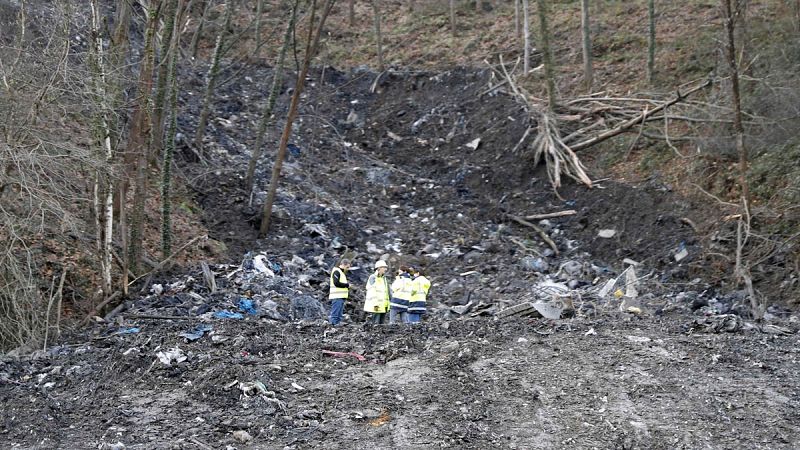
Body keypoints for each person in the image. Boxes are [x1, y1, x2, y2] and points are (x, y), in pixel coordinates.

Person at [364, 260, 390, 324]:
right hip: (376, 306)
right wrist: (375, 304)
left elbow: (387, 292)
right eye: (384, 267)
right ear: (379, 268)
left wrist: (389, 304)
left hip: (383, 306)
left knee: (381, 326)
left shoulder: (384, 278)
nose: (385, 269)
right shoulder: (373, 277)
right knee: (375, 325)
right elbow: (371, 292)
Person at [328, 258, 350, 325]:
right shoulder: (337, 271)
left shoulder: (341, 273)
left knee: (339, 315)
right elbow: (336, 283)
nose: (348, 269)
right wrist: (347, 285)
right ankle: (333, 327)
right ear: (343, 265)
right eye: (347, 267)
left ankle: (336, 328)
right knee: (335, 315)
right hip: (337, 297)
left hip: (341, 297)